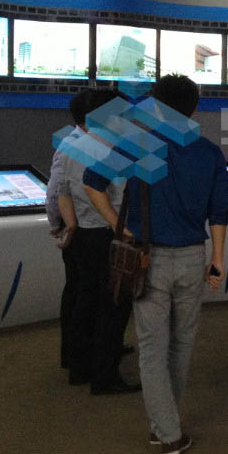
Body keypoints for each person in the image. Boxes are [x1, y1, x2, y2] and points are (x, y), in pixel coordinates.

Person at [85, 74, 228, 454]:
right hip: (192, 257)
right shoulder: (210, 153)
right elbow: (219, 212)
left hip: (146, 258)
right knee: (182, 344)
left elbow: (92, 182)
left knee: (152, 346)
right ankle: (167, 424)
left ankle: (166, 431)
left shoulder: (137, 144)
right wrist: (217, 259)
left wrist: (117, 225)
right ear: (194, 109)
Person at [62, 88, 139, 394]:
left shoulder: (74, 144)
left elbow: (62, 190)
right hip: (109, 235)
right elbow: (111, 195)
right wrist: (122, 229)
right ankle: (105, 376)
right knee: (114, 306)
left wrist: (69, 225)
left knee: (87, 302)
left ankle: (80, 367)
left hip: (84, 233)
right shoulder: (111, 149)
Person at [47, 89, 93, 370]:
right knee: (79, 290)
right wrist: (58, 225)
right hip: (78, 228)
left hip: (79, 225)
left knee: (81, 289)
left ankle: (84, 350)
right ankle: (75, 355)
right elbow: (55, 191)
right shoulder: (73, 146)